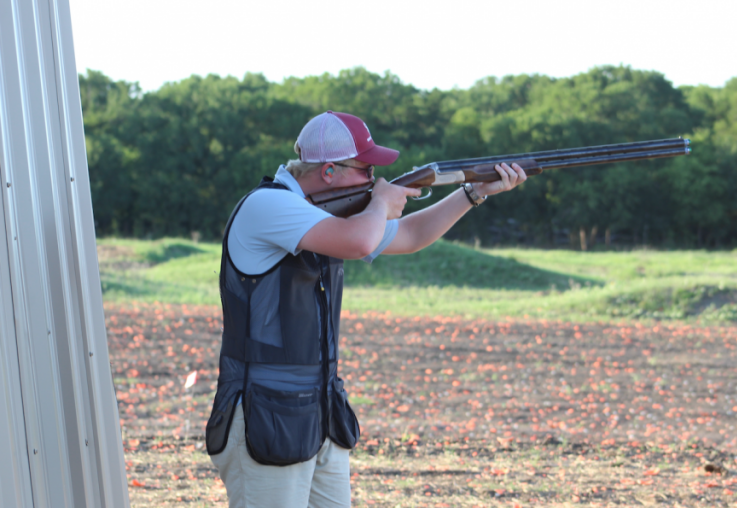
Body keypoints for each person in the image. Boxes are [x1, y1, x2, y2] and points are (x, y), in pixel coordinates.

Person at [205, 111, 527, 508]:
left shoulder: (324, 211)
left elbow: (410, 235)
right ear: (328, 172)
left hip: (319, 414)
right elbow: (359, 242)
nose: (376, 180)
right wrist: (379, 205)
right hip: (264, 417)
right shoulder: (267, 206)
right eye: (366, 169)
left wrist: (472, 193)